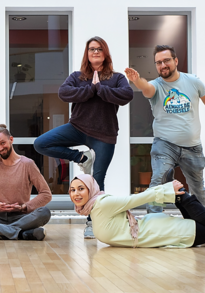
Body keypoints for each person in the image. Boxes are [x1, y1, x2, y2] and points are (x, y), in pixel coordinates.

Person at [34, 36, 133, 238]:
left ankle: (92, 223)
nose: (95, 52)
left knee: (97, 181)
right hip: (77, 127)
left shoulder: (117, 78)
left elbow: (126, 96)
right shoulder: (77, 76)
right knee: (41, 143)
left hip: (104, 134)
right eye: (91, 49)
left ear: (105, 53)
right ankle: (81, 158)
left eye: (99, 49)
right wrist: (90, 89)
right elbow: (64, 93)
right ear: (86, 54)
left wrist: (100, 89)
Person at [125, 45, 205, 213]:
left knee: (197, 187)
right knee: (158, 181)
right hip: (165, 144)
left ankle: (201, 223)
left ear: (175, 61)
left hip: (192, 146)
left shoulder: (193, 82)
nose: (163, 65)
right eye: (158, 62)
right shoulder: (156, 86)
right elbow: (146, 88)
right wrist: (137, 80)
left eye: (166, 60)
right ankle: (154, 222)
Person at [69, 170, 205, 248]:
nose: (76, 194)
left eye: (81, 188)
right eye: (72, 190)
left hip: (160, 232)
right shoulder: (93, 209)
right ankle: (179, 197)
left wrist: (165, 189)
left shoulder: (102, 203)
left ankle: (181, 196)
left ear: (91, 189)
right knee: (197, 225)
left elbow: (134, 200)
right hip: (154, 231)